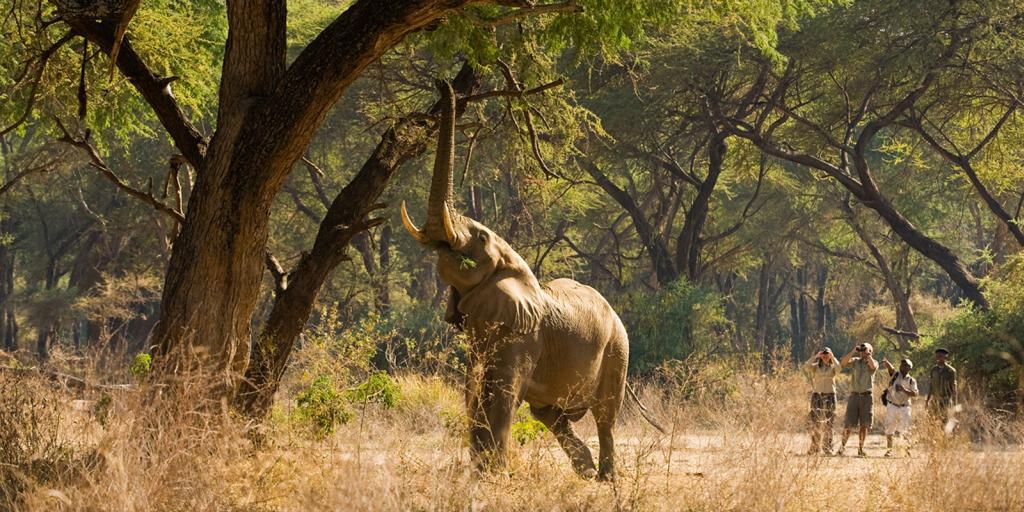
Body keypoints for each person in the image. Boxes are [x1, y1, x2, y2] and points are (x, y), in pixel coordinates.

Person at [837, 342, 877, 456]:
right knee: (848, 424)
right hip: (854, 396)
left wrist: (868, 355)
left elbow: (873, 367)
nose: (863, 351)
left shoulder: (873, 362)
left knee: (864, 424)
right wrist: (853, 351)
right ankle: (842, 447)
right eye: (862, 349)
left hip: (867, 397)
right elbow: (843, 363)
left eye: (866, 349)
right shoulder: (855, 361)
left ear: (870, 351)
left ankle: (860, 449)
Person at [803, 347, 840, 455]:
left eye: (827, 354)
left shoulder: (833, 367)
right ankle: (815, 446)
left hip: (830, 395)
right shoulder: (816, 367)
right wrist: (815, 356)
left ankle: (827, 447)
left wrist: (832, 357)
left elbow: (839, 368)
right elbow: (806, 366)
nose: (825, 356)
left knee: (829, 422)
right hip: (817, 395)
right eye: (823, 354)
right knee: (816, 422)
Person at [881, 358, 919, 457]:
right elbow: (890, 368)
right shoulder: (895, 374)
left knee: (905, 429)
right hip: (892, 405)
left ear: (909, 368)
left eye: (905, 365)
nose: (902, 366)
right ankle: (889, 450)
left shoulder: (911, 380)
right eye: (902, 364)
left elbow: (915, 393)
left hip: (905, 407)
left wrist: (903, 389)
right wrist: (886, 362)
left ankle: (906, 450)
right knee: (890, 428)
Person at [926, 348, 958, 427]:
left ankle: (945, 437)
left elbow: (953, 387)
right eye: (937, 355)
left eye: (941, 355)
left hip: (946, 400)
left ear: (945, 357)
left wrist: (955, 403)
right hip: (935, 400)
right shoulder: (933, 369)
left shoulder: (951, 371)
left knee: (945, 420)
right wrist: (927, 400)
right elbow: (931, 385)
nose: (939, 357)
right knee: (932, 420)